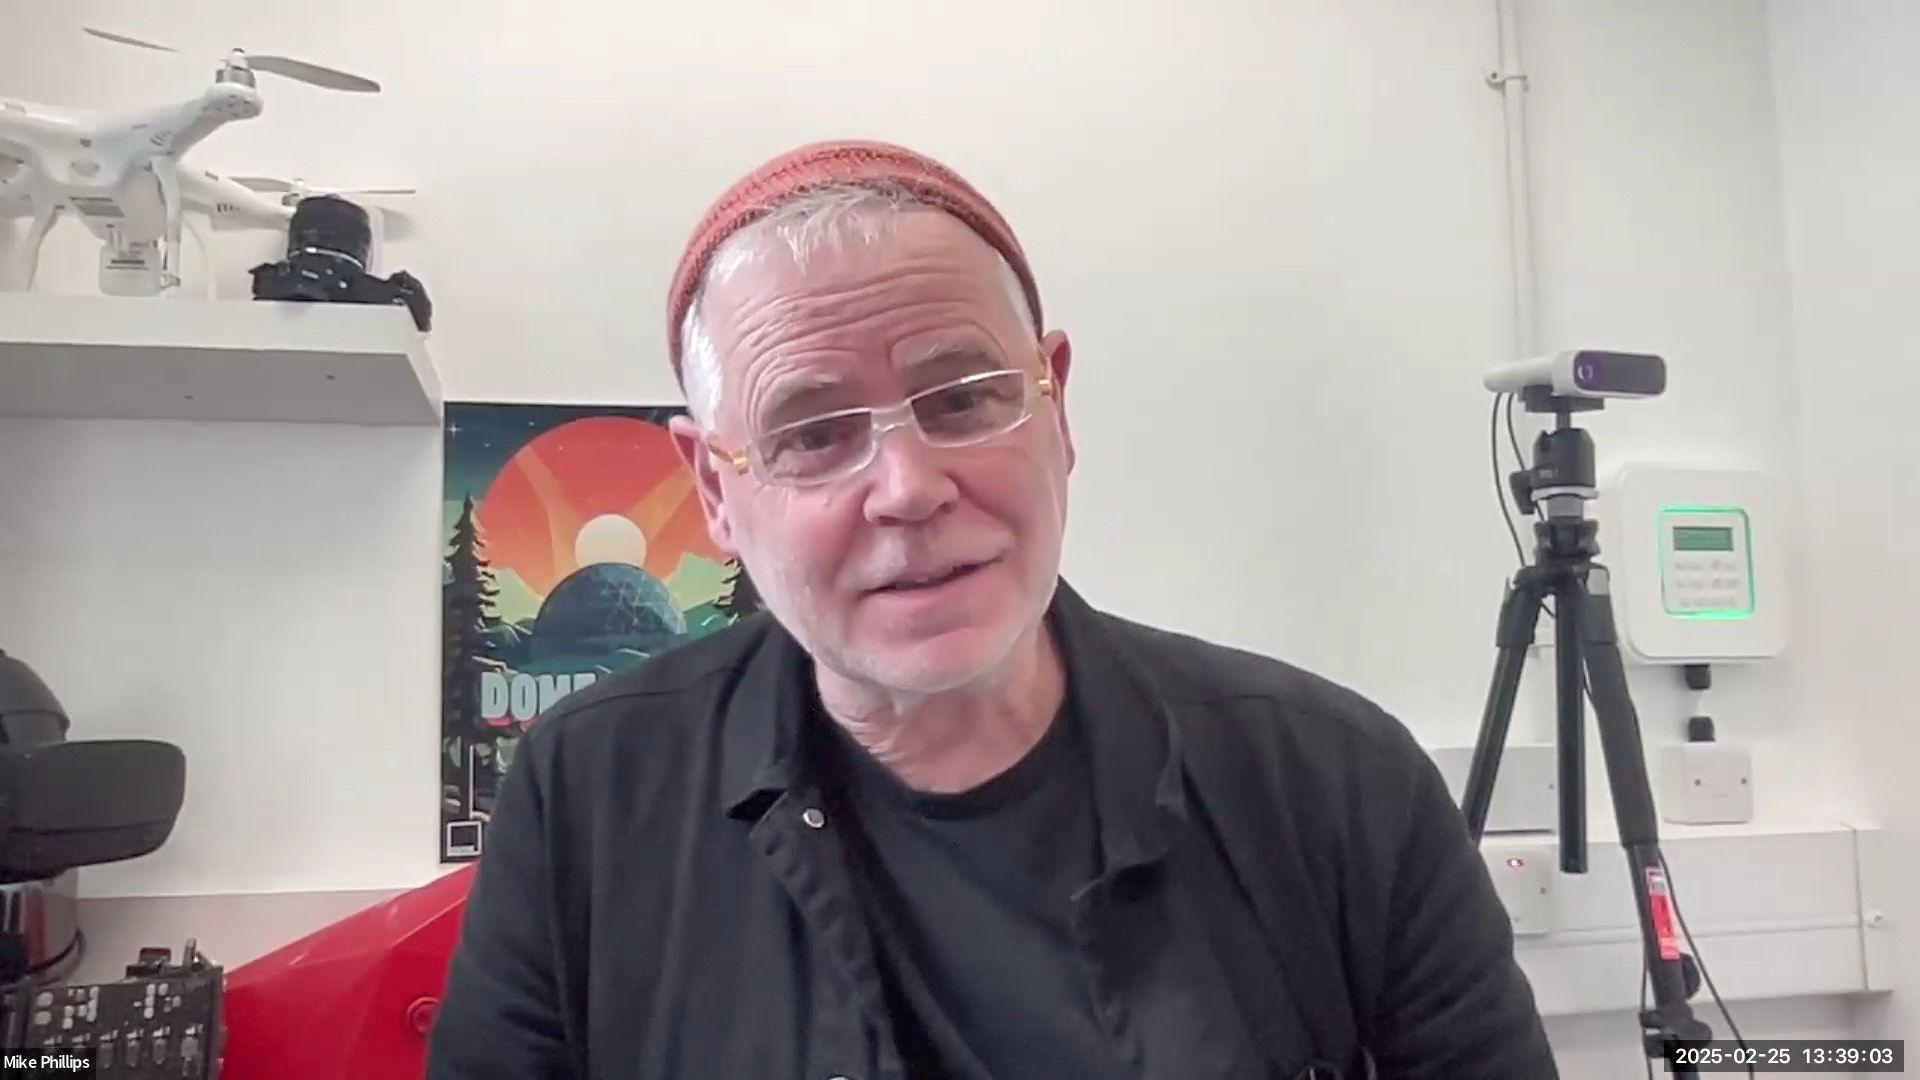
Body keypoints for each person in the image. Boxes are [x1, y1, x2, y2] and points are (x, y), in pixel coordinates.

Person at [427, 140, 1557, 1080]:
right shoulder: (585, 796)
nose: (910, 488)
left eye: (964, 399)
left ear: (1054, 406)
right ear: (717, 489)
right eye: (813, 433)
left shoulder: (1339, 784)